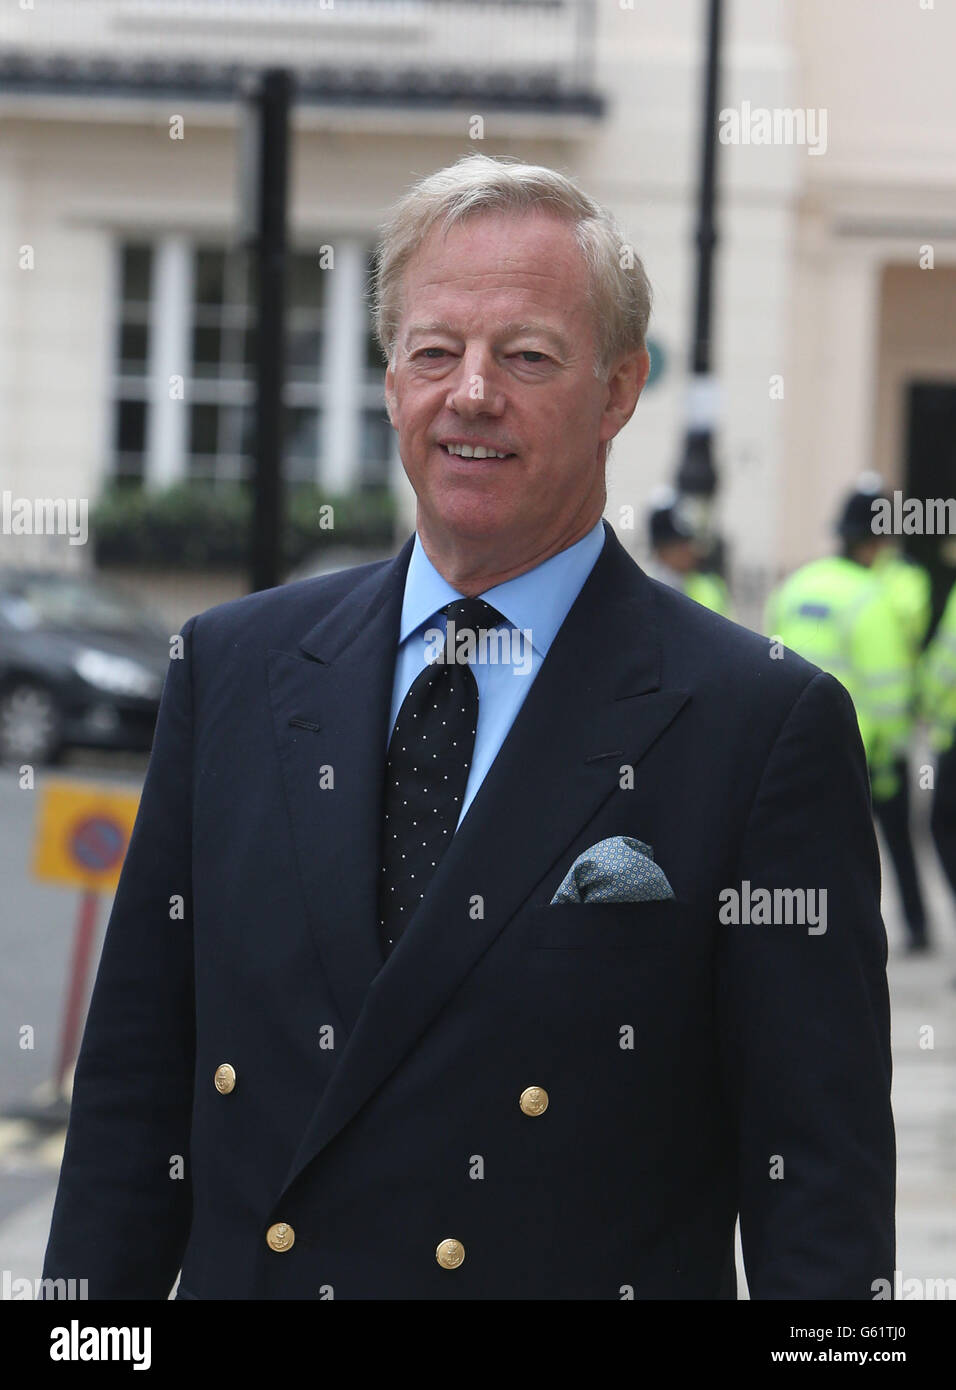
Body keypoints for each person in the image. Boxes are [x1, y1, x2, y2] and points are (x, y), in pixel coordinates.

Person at [42, 153, 894, 1301]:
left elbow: (818, 1193)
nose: (471, 392)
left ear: (617, 390)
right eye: (433, 350)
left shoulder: (759, 724)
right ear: (390, 380)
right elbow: (132, 1111)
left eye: (527, 355)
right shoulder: (234, 667)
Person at [765, 481, 927, 951]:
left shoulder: (796, 585)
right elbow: (891, 690)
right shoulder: (871, 598)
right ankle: (913, 926)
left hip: (795, 745)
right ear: (876, 543)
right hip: (864, 751)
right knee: (889, 842)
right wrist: (895, 753)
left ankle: (798, 928)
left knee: (804, 845)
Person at [645, 491, 732, 616]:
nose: (692, 551)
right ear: (662, 550)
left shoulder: (708, 587)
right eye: (682, 545)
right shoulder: (643, 586)